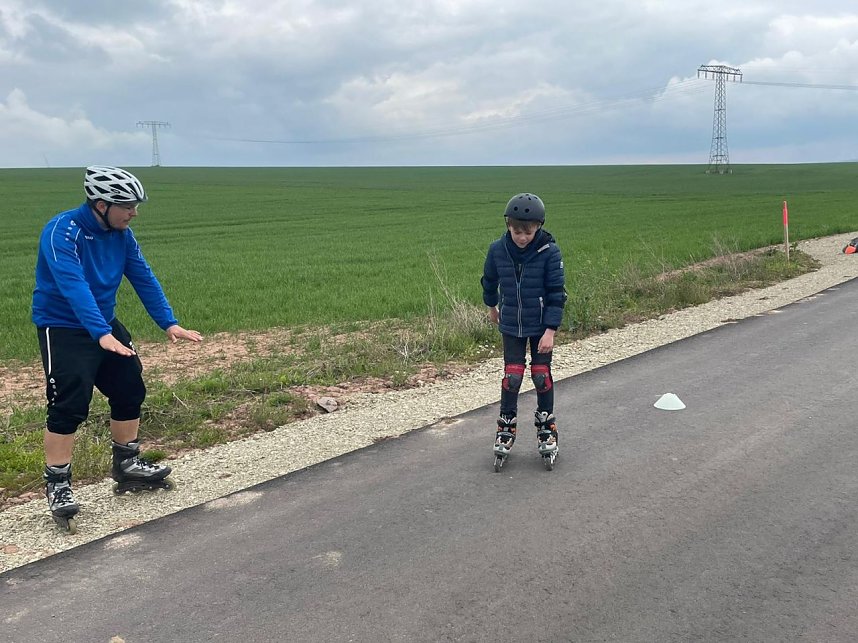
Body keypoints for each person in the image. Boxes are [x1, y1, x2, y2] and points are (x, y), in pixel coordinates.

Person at [32, 165, 202, 530]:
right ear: (99, 204)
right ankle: (58, 484)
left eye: (135, 205)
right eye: (126, 205)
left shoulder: (123, 235)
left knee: (129, 388)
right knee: (68, 403)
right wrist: (99, 332)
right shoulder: (62, 231)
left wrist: (168, 322)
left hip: (103, 324)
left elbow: (142, 274)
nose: (134, 212)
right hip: (62, 326)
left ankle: (127, 465)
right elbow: (72, 284)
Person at [481, 193, 567, 470]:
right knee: (512, 376)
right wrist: (492, 306)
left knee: (541, 376)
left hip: (541, 326)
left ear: (539, 227)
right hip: (511, 324)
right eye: (516, 231)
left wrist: (551, 330)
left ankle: (546, 424)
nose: (521, 237)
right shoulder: (497, 250)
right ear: (508, 225)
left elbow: (556, 293)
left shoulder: (549, 252)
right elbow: (489, 279)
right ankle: (506, 425)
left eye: (528, 232)